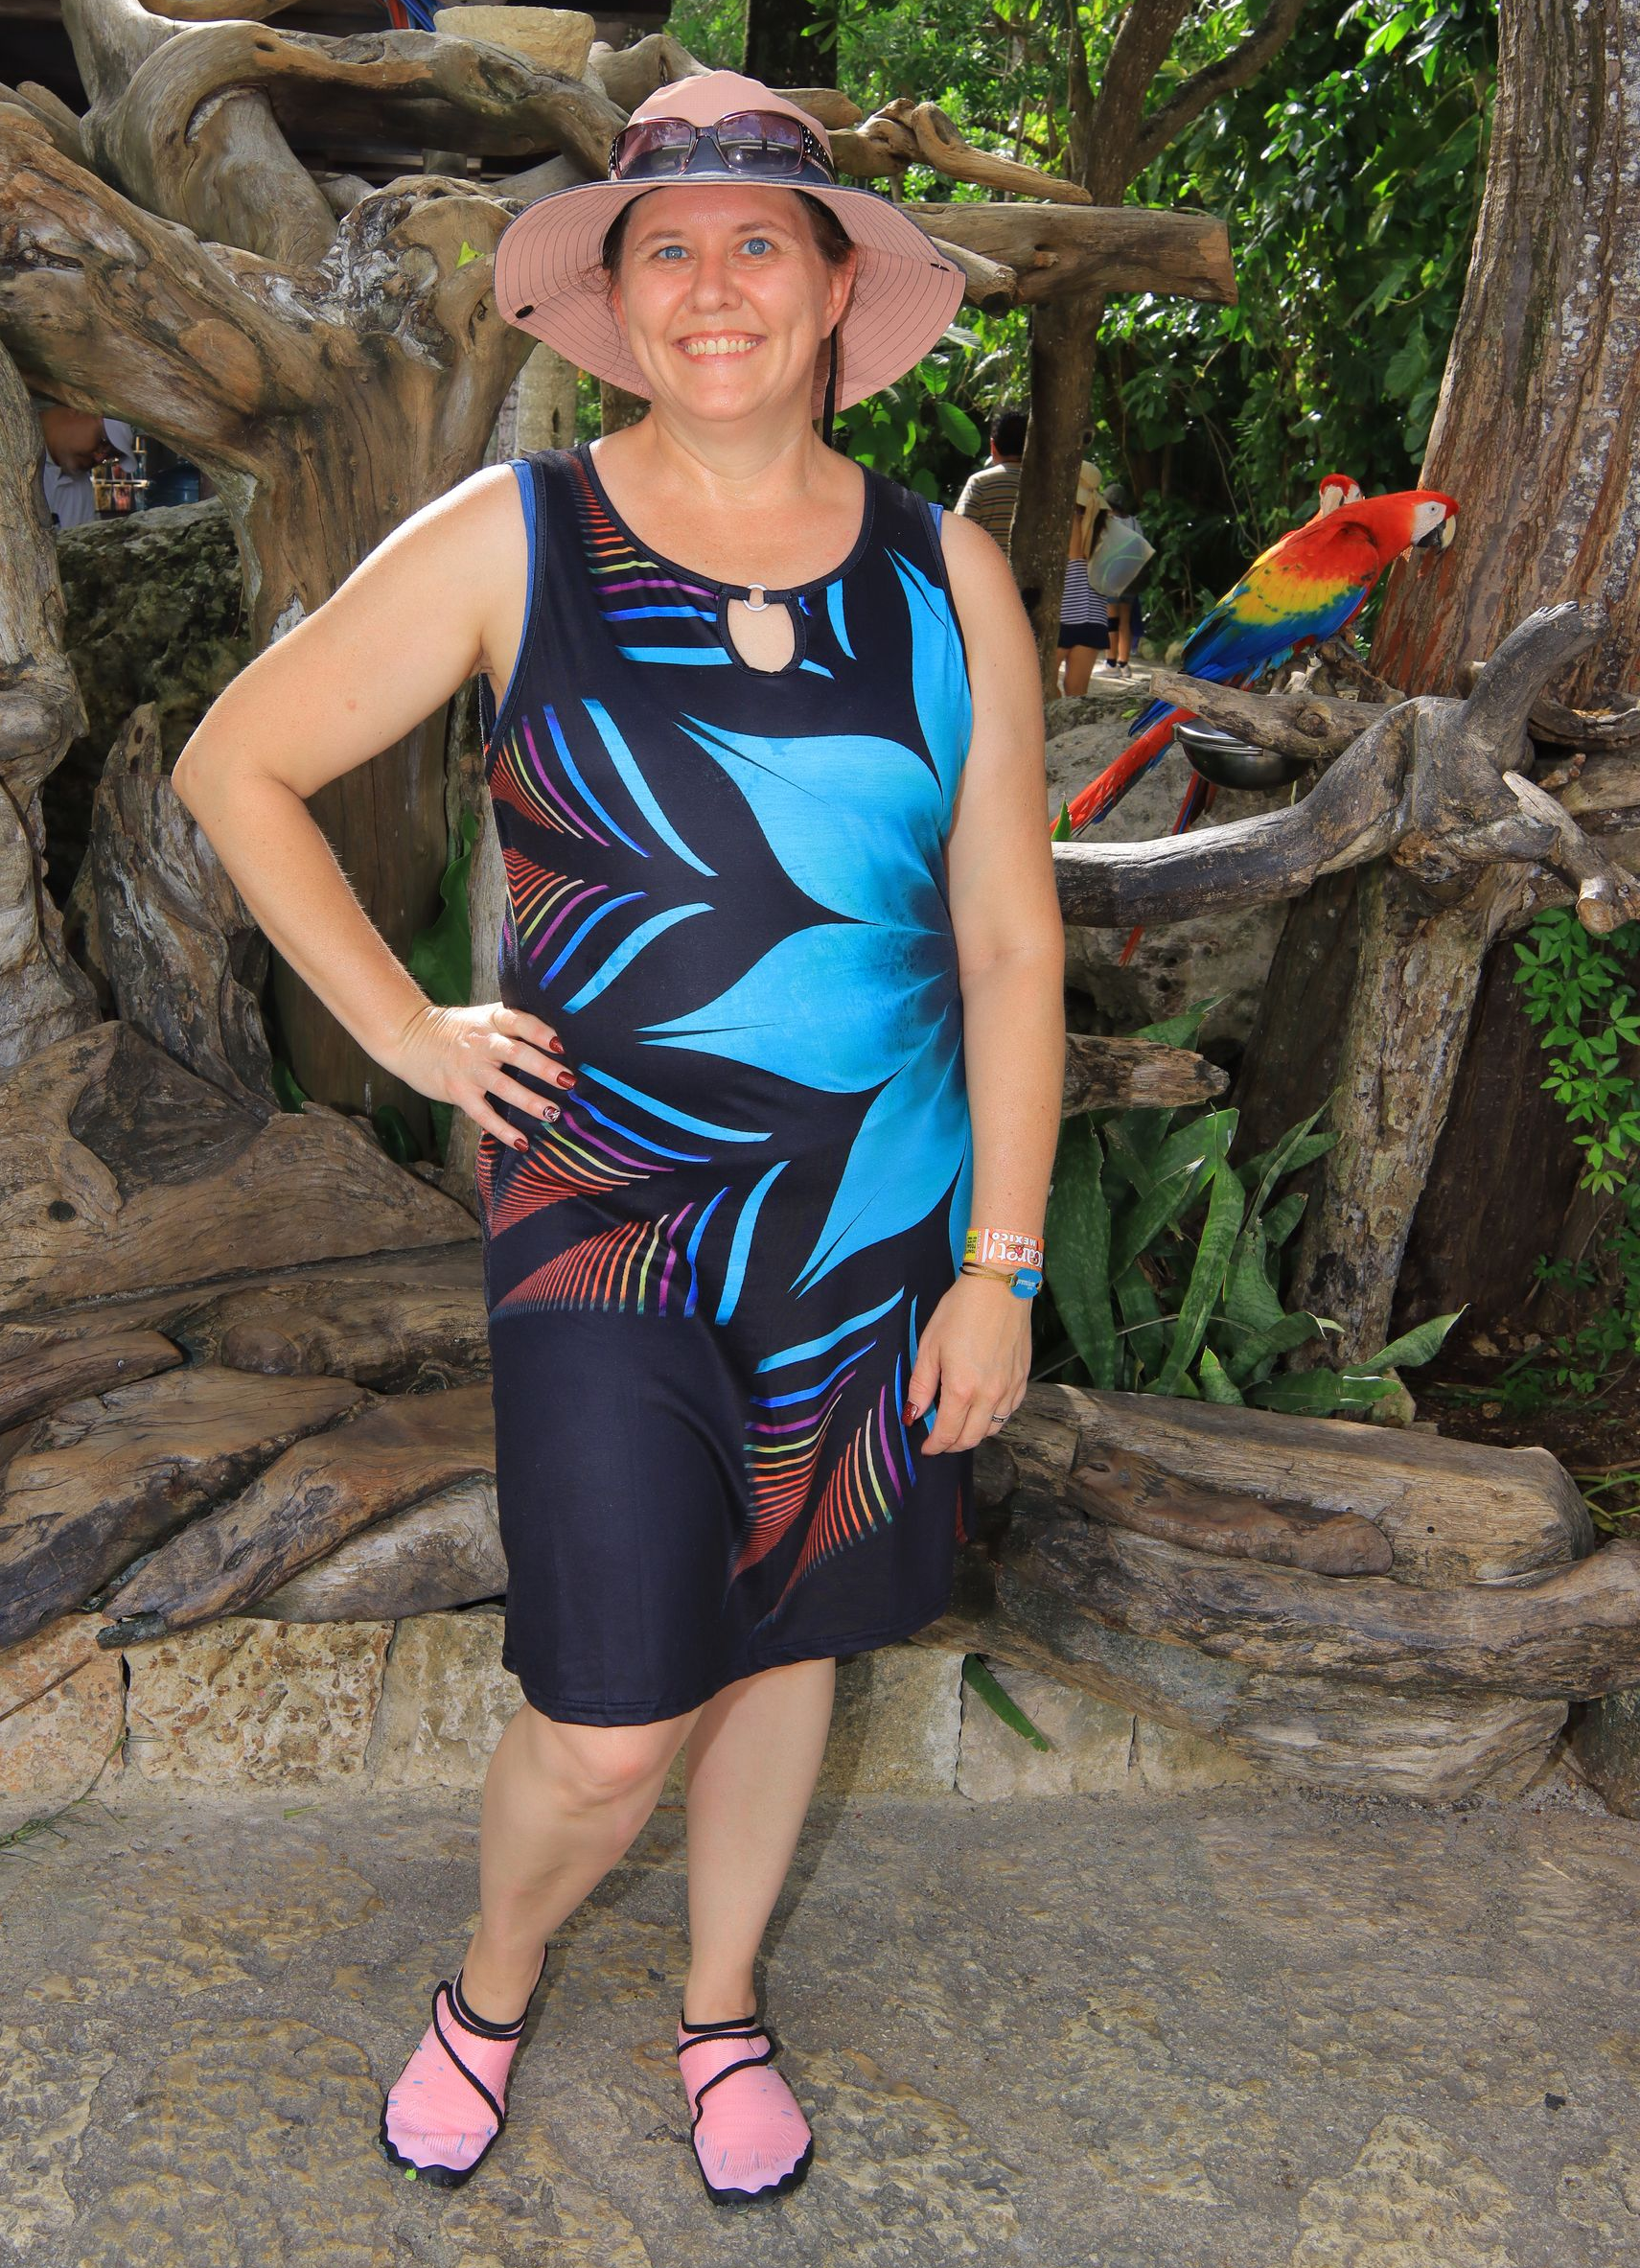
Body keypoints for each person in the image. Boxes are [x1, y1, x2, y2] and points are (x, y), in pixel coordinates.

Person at [173, 69, 1064, 2210]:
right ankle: (492, 1982)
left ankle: (723, 1998)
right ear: (614, 301)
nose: (713, 281)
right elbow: (237, 761)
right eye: (667, 244)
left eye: (763, 236)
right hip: (608, 1231)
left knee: (790, 1639)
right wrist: (400, 1024)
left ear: (844, 285)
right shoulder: (520, 534)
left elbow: (1015, 944)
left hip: (878, 1227)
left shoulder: (951, 578)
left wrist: (1000, 1265)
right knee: (606, 1707)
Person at [35, 405, 140, 528]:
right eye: (102, 442)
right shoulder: (10, 449)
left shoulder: (81, 488)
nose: (99, 458)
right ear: (77, 407)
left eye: (110, 455)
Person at [1055, 460, 1111, 696]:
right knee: (1076, 693)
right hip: (1095, 616)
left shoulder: (1064, 520)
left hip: (1063, 613)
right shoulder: (1106, 523)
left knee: (1041, 687)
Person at [954, 404, 1028, 559]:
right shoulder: (1042, 485)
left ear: (993, 445)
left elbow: (958, 538)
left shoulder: (980, 483)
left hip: (989, 578)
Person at [1094, 479, 1146, 678]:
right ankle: (1124, 664)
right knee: (1125, 621)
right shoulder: (1134, 522)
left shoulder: (1106, 522)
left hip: (1112, 576)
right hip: (1131, 577)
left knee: (1111, 622)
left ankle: (1110, 663)